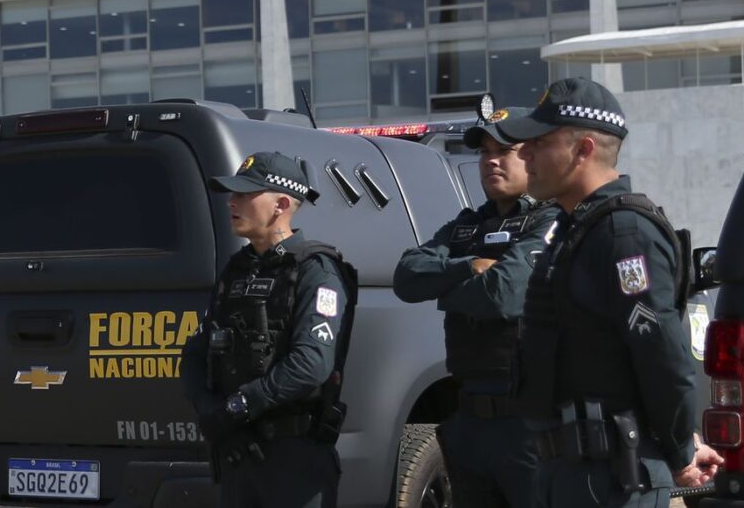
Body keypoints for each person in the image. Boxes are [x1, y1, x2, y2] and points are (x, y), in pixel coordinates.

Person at [495, 78, 723, 508]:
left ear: (582, 150)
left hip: (612, 479)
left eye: (539, 143)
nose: (524, 155)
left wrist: (680, 451)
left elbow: (661, 356)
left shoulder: (625, 234)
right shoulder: (576, 228)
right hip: (566, 473)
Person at [393, 107, 557, 508]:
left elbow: (505, 294)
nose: (491, 161)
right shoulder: (466, 227)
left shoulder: (551, 219)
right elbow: (406, 278)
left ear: (532, 155)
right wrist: (468, 265)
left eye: (505, 150)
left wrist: (445, 291)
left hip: (527, 422)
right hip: (469, 418)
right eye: (484, 153)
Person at [181, 151, 357, 508]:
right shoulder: (236, 270)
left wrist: (242, 405)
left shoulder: (315, 270)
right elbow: (195, 354)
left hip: (294, 460)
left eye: (245, 194)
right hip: (239, 454)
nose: (232, 201)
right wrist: (214, 415)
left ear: (280, 204)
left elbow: (311, 364)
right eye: (233, 194)